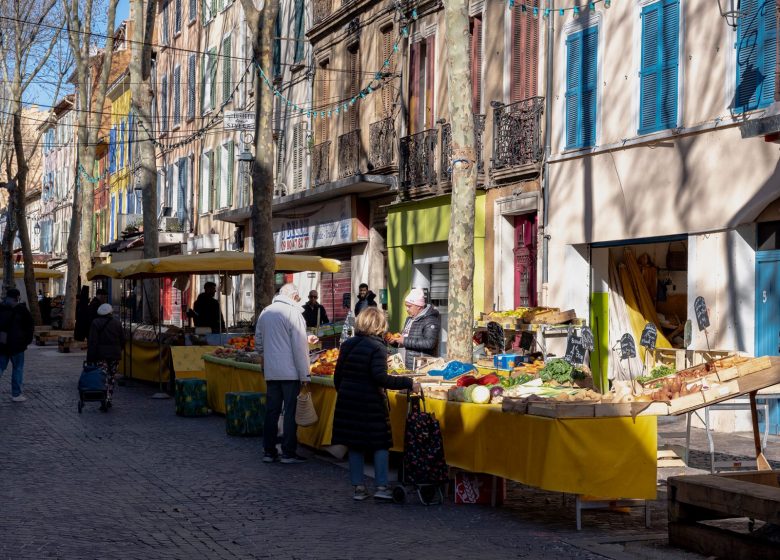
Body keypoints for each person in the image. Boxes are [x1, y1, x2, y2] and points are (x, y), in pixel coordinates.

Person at [333, 307, 420, 500]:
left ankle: (358, 488)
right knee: (380, 443)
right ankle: (381, 487)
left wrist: (346, 393)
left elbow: (337, 376)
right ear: (379, 325)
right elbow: (380, 377)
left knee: (355, 443)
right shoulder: (377, 347)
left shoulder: (348, 344)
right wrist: (408, 383)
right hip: (370, 401)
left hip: (348, 400)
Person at [255, 283, 311, 464]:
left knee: (272, 411)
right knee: (290, 412)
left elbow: (259, 342)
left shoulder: (265, 312)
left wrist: (267, 359)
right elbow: (299, 347)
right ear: (294, 296)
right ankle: (288, 451)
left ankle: (269, 451)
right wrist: (305, 375)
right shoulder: (293, 313)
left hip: (272, 371)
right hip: (290, 372)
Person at [389, 288, 442, 370]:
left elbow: (430, 343)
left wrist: (404, 340)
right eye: (406, 306)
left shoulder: (430, 320)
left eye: (409, 306)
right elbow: (406, 339)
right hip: (407, 366)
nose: (407, 309)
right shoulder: (409, 319)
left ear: (419, 306)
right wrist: (395, 341)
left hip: (422, 367)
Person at [86, 303, 124, 410]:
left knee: (102, 377)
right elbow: (122, 340)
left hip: (101, 355)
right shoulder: (117, 323)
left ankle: (103, 399)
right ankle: (109, 398)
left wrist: (90, 358)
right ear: (110, 312)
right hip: (114, 355)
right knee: (111, 377)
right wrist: (118, 350)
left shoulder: (95, 323)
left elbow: (92, 342)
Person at [0, 288, 34, 402]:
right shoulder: (22, 310)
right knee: (18, 369)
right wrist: (26, 341)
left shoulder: (1, 309)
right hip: (17, 345)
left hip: (2, 345)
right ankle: (16, 394)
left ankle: (17, 394)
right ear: (17, 298)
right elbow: (30, 326)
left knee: (0, 368)